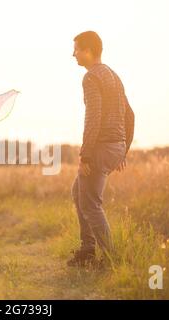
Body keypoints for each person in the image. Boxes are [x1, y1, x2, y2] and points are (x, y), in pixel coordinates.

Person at [68, 31, 135, 267]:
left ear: (88, 50)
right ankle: (87, 249)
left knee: (90, 204)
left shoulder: (91, 78)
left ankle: (111, 260)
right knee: (78, 192)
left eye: (76, 49)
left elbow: (93, 117)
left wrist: (84, 155)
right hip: (115, 146)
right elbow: (130, 115)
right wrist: (123, 150)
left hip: (101, 148)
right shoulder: (113, 76)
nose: (73, 54)